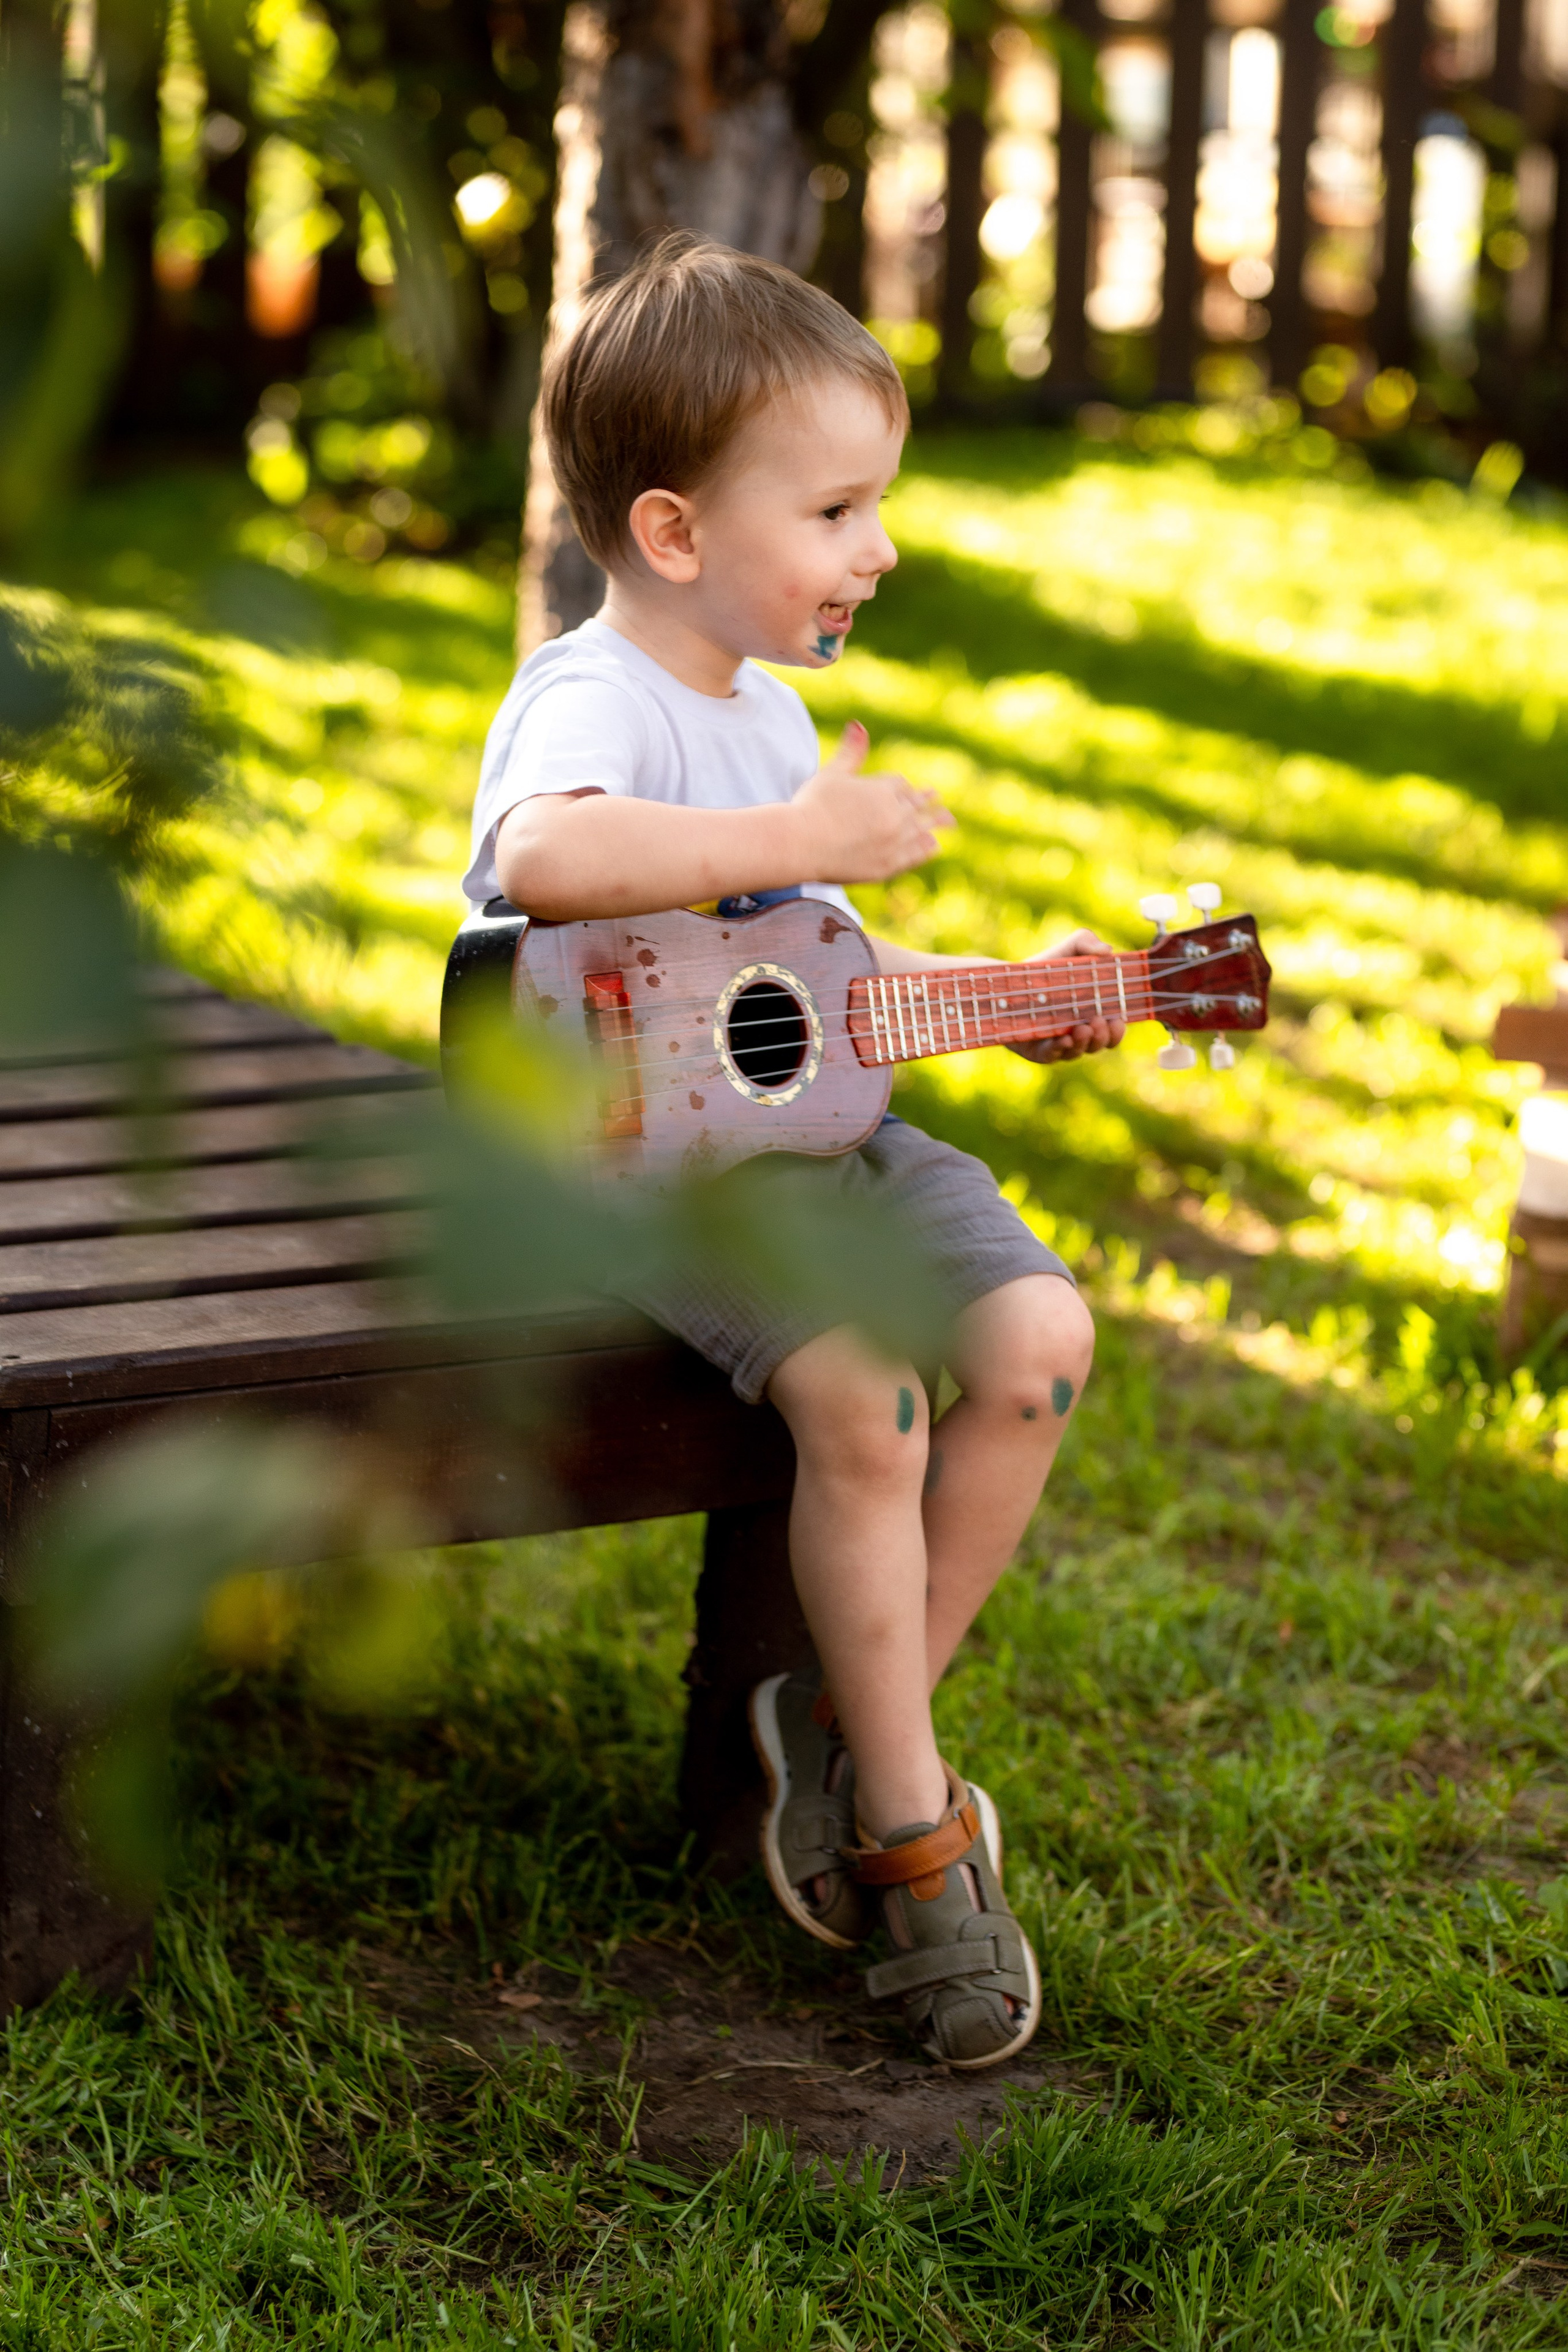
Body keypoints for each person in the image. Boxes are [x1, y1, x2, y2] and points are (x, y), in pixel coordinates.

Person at [464, 232, 1124, 2071]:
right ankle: (917, 1840)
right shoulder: (602, 693)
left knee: (1037, 1345)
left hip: (811, 1132)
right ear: (674, 534)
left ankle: (844, 1731)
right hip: (650, 1166)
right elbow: (550, 866)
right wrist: (799, 814)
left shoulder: (760, 706)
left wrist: (1011, 993)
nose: (880, 548)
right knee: (866, 1403)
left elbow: (810, 975)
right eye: (837, 508)